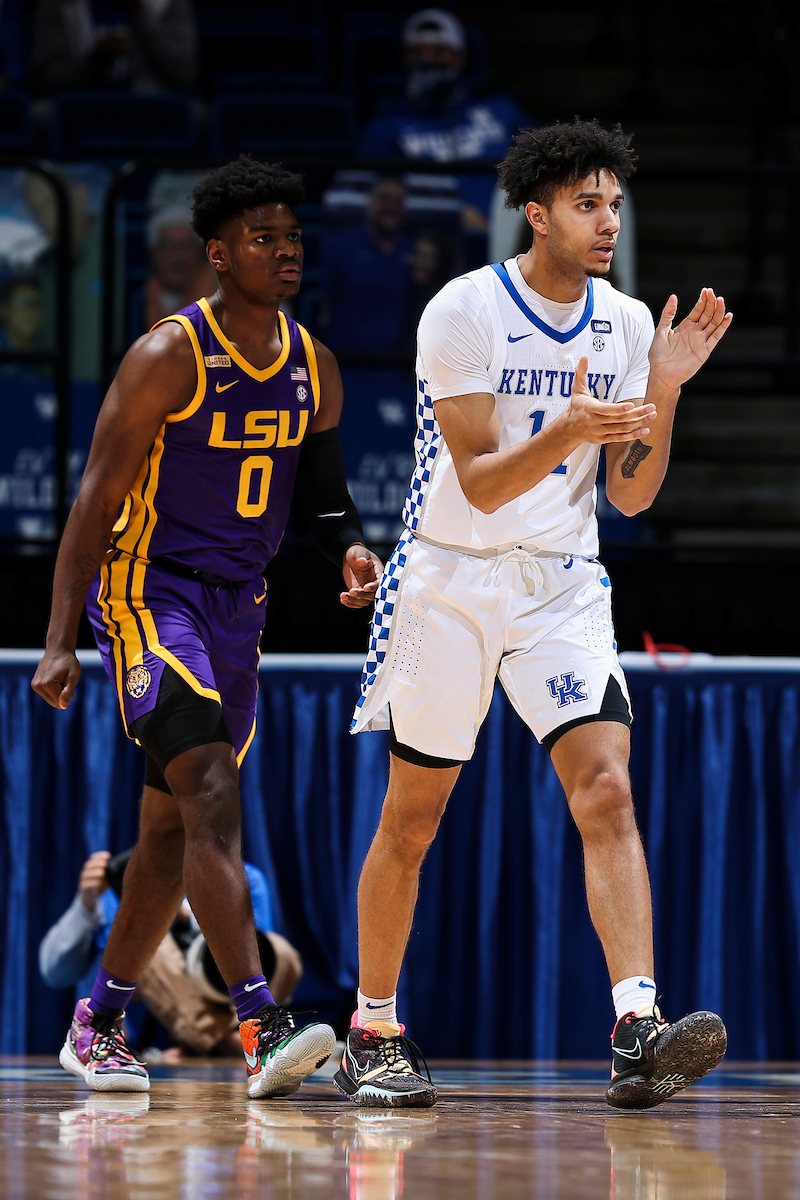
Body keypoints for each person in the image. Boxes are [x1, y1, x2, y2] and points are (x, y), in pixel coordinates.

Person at [336, 118, 732, 1110]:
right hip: (447, 577)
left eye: (612, 204)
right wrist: (565, 427)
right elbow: (474, 479)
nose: (606, 222)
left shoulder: (628, 323)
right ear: (536, 212)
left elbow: (631, 495)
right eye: (586, 204)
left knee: (604, 789)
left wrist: (667, 390)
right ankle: (373, 1026)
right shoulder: (463, 310)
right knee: (412, 817)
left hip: (559, 580)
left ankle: (636, 1025)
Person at [32, 155, 382, 1098]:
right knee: (214, 792)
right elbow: (94, 502)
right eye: (263, 239)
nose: (285, 251)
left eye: (293, 237)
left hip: (240, 611)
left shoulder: (315, 366)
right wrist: (64, 635)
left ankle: (97, 1022)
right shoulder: (166, 357)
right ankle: (264, 1026)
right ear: (219, 256)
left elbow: (326, 501)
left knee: (170, 837)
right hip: (150, 595)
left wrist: (349, 548)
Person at [39, 848, 302, 1058]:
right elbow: (55, 971)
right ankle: (238, 1042)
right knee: (149, 940)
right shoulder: (124, 878)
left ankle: (212, 1041)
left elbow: (263, 957)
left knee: (281, 950)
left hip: (219, 984)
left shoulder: (242, 876)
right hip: (147, 980)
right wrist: (85, 904)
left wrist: (185, 917)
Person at [359, 9, 528, 231]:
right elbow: (377, 197)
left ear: (460, 58)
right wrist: (452, 214)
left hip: (510, 233)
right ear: (405, 59)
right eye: (417, 53)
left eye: (440, 52)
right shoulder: (387, 128)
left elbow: (540, 170)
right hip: (430, 243)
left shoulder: (502, 113)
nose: (428, 60)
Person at [320, 176, 414, 357]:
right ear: (369, 204)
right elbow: (323, 305)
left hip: (398, 368)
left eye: (398, 201)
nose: (391, 207)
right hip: (347, 363)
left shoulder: (416, 250)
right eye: (384, 199)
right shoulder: (338, 246)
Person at [31, 0, 197, 94]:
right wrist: (97, 59)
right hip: (82, 118)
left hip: (152, 117)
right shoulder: (57, 5)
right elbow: (47, 80)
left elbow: (183, 75)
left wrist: (139, 15)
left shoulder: (167, 4)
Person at [143, 206, 216, 332]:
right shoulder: (148, 293)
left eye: (185, 246)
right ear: (156, 253)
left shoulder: (219, 297)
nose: (177, 257)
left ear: (200, 252)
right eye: (169, 246)